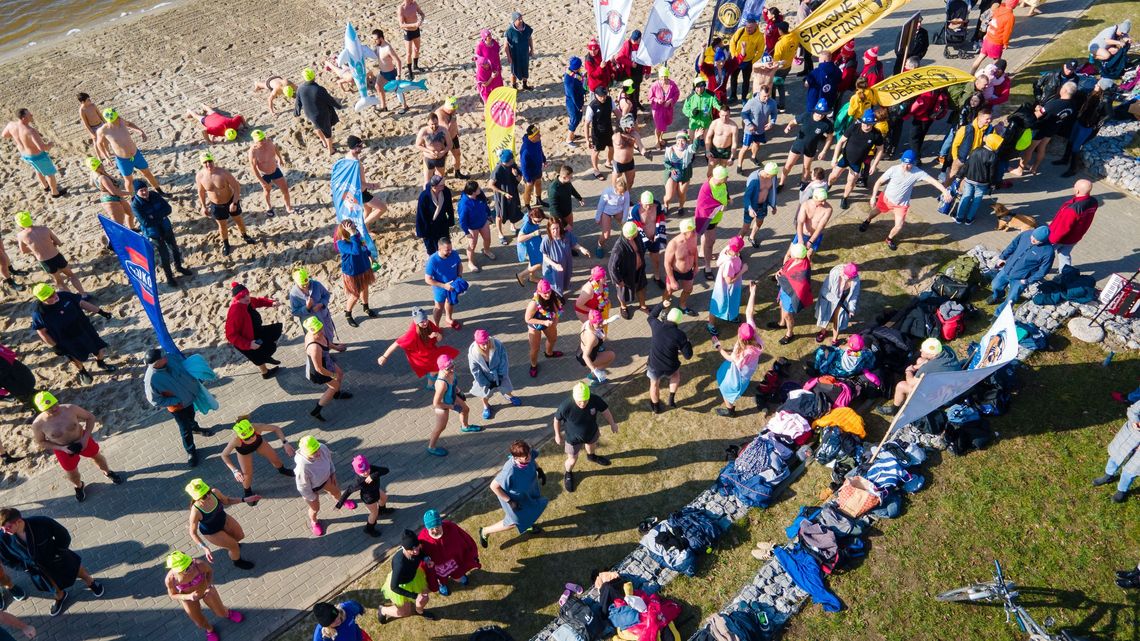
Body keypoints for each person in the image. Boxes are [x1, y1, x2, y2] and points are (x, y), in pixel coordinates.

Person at [0, 508, 104, 617]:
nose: (5, 531)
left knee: (76, 569)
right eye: (2, 528)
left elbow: (63, 535)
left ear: (19, 521)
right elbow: (6, 560)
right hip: (36, 568)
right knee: (50, 583)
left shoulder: (41, 522)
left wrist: (59, 552)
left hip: (57, 557)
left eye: (8, 527)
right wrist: (25, 567)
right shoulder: (2, 538)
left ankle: (90, 582)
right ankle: (60, 596)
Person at [30, 391, 123, 502]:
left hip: (82, 439)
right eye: (49, 407)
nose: (54, 408)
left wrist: (85, 439)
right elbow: (40, 441)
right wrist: (62, 448)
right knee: (71, 473)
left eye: (55, 404)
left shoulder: (70, 409)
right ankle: (78, 486)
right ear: (41, 409)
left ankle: (107, 472)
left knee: (97, 457)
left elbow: (90, 417)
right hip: (63, 449)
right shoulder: (38, 424)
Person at [862, 149, 952, 251]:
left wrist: (944, 191)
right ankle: (867, 220)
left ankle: (889, 239)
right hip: (886, 198)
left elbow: (933, 181)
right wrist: (874, 196)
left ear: (913, 163)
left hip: (901, 205)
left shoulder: (918, 172)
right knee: (875, 211)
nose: (905, 166)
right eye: (904, 163)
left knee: (899, 225)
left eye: (909, 164)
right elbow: (879, 182)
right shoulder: (893, 169)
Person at [30, 284, 114, 386]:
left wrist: (101, 312)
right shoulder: (39, 313)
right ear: (42, 299)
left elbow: (82, 303)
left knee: (99, 348)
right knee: (75, 358)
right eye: (50, 297)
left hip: (84, 329)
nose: (54, 296)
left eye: (53, 293)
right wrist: (55, 346)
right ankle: (82, 371)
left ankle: (101, 362)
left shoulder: (64, 295)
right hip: (66, 339)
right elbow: (42, 332)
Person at [144, 348, 213, 467]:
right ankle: (191, 451)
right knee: (185, 429)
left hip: (189, 397)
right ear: (157, 363)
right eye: (163, 356)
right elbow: (155, 400)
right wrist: (176, 401)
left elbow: (184, 365)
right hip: (177, 407)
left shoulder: (170, 359)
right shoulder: (151, 380)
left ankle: (195, 428)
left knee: (191, 415)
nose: (166, 356)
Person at [478, 440, 548, 546]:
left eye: (529, 454)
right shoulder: (510, 470)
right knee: (513, 522)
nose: (529, 457)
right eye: (525, 457)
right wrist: (510, 501)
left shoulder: (527, 453)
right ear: (516, 458)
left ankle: (526, 523)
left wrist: (539, 469)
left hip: (527, 493)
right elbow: (494, 486)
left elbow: (532, 459)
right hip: (514, 499)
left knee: (532, 508)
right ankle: (485, 531)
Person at [163, 551, 242, 640]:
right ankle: (209, 629)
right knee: (199, 623)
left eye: (190, 563)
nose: (190, 568)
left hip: (205, 590)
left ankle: (227, 613)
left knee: (221, 613)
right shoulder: (171, 579)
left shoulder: (199, 565)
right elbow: (172, 595)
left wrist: (208, 584)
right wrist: (188, 597)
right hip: (188, 597)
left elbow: (209, 571)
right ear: (176, 570)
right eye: (185, 568)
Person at [554, 382, 617, 492]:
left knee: (591, 446)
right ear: (574, 397)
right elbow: (556, 420)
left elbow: (605, 411)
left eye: (585, 400)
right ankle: (568, 473)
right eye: (580, 401)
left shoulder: (594, 399)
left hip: (591, 432)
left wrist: (612, 423)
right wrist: (557, 435)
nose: (583, 403)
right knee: (572, 459)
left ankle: (591, 457)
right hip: (573, 439)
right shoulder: (566, 405)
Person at [184, 478, 258, 570]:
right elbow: (192, 532)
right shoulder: (196, 511)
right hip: (212, 531)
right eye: (203, 496)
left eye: (208, 492)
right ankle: (237, 561)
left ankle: (230, 544)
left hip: (224, 519)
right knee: (234, 547)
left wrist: (245, 499)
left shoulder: (215, 492)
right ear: (196, 498)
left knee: (240, 536)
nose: (208, 496)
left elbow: (227, 501)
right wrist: (205, 548)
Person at [712, 284, 762, 416]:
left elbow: (729, 358)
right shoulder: (756, 339)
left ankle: (730, 410)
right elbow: (749, 312)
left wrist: (718, 346)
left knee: (725, 390)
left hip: (739, 374)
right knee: (745, 381)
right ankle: (741, 391)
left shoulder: (740, 352)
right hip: (750, 368)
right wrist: (753, 292)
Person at [130, 180, 192, 285]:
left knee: (175, 249)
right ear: (136, 192)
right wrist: (160, 215)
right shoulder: (135, 205)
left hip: (166, 227)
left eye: (145, 189)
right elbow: (145, 222)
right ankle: (169, 278)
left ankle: (179, 267)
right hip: (154, 233)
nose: (145, 192)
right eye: (141, 191)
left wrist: (153, 216)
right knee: (165, 255)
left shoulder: (154, 195)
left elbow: (168, 209)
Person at [878, 338, 960, 415]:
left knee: (901, 385)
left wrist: (909, 371)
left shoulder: (930, 367)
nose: (920, 350)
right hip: (951, 386)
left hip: (942, 398)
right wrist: (916, 367)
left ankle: (894, 410)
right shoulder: (947, 350)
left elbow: (911, 383)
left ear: (931, 354)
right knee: (920, 360)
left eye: (923, 350)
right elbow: (928, 362)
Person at [15, 213, 88, 298]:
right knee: (71, 275)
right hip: (56, 256)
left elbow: (23, 251)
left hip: (45, 261)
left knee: (60, 283)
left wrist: (33, 249)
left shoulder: (21, 235)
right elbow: (58, 242)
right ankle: (83, 294)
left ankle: (73, 299)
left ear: (19, 224)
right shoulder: (44, 229)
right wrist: (50, 244)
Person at [294, 436, 355, 537]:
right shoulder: (302, 466)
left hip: (326, 479)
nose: (318, 453)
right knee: (315, 509)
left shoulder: (322, 448)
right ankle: (314, 521)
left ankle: (341, 500)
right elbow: (302, 486)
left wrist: (332, 472)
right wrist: (312, 497)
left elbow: (329, 460)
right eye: (313, 452)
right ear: (305, 453)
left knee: (336, 492)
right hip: (311, 489)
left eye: (317, 449)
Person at [196, 152, 254, 257]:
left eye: (210, 161)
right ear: (202, 164)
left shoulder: (222, 172)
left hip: (231, 201)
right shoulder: (200, 176)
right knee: (222, 226)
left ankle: (245, 236)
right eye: (205, 162)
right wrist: (203, 206)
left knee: (239, 221)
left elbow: (236, 187)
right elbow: (201, 192)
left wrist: (234, 202)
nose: (208, 164)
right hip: (216, 205)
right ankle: (226, 244)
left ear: (213, 161)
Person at [219, 419, 295, 499]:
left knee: (275, 459)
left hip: (259, 443)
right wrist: (235, 471)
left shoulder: (257, 427)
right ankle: (247, 492)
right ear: (240, 436)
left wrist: (285, 443)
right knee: (247, 474)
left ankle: (282, 470)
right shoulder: (235, 440)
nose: (251, 438)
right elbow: (224, 455)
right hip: (244, 451)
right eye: (247, 438)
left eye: (252, 435)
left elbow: (276, 428)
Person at [377, 307, 459, 380]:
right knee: (437, 367)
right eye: (422, 322)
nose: (425, 323)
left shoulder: (429, 324)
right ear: (416, 323)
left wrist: (437, 334)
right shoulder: (412, 334)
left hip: (430, 350)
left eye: (425, 319)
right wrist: (384, 356)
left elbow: (440, 339)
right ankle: (433, 380)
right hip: (421, 356)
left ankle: (431, 382)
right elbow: (396, 343)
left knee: (441, 361)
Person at [828, 109, 885, 210]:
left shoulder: (876, 134)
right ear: (862, 121)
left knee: (851, 182)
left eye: (868, 124)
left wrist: (874, 164)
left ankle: (845, 197)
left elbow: (880, 149)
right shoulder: (854, 127)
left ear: (873, 124)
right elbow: (840, 142)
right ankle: (828, 186)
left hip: (857, 163)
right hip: (844, 158)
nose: (865, 126)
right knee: (833, 176)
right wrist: (834, 158)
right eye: (864, 123)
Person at [95, 108, 161, 192]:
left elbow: (129, 124)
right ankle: (133, 197)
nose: (116, 121)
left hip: (136, 155)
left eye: (116, 118)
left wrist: (140, 131)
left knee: (147, 174)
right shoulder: (102, 130)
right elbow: (99, 144)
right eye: (114, 120)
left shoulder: (121, 121)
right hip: (123, 160)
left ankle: (159, 191)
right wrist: (106, 157)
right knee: (129, 180)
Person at [3, 109, 66, 197]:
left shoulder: (11, 125)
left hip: (25, 155)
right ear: (24, 118)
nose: (32, 115)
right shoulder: (30, 131)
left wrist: (17, 138)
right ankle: (55, 192)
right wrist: (50, 145)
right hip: (38, 156)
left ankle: (45, 186)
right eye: (30, 114)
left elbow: (4, 135)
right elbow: (42, 148)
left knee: (38, 169)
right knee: (50, 174)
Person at [427, 354, 480, 457]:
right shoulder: (441, 383)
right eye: (448, 368)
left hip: (452, 396)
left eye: (452, 366)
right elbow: (436, 404)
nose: (452, 369)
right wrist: (451, 407)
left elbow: (453, 384)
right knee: (440, 427)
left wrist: (459, 391)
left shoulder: (450, 372)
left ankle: (465, 426)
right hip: (443, 405)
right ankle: (431, 447)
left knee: (465, 409)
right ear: (442, 369)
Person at [225, 282, 281, 379]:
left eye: (247, 294)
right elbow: (230, 335)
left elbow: (258, 301)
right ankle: (265, 369)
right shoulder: (235, 312)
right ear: (237, 298)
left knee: (275, 331)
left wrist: (271, 303)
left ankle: (265, 370)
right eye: (243, 297)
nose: (247, 298)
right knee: (260, 353)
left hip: (255, 331)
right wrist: (248, 344)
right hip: (246, 339)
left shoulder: (247, 301)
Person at [418, 509, 481, 596]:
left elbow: (465, 538)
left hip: (454, 561)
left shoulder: (451, 527)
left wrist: (472, 553)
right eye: (432, 528)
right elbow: (420, 556)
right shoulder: (422, 539)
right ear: (427, 528)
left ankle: (459, 577)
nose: (435, 531)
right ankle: (442, 585)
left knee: (457, 574)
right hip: (438, 567)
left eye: (437, 527)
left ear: (441, 524)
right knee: (441, 579)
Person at [379, 530, 437, 622]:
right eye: (412, 549)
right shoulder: (400, 564)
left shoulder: (417, 548)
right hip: (401, 586)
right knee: (404, 612)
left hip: (415, 578)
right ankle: (383, 610)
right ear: (404, 548)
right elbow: (394, 587)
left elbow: (420, 553)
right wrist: (415, 596)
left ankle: (419, 611)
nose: (416, 551)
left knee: (424, 597)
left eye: (417, 547)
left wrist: (426, 559)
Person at [988, 226, 1054, 304]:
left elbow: (1043, 271)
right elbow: (1013, 245)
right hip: (1007, 269)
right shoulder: (1026, 234)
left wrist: (1028, 280)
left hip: (1021, 279)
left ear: (1044, 241)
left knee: (1010, 300)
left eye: (1036, 240)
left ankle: (998, 314)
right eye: (1033, 236)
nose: (1032, 239)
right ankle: (997, 296)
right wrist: (1003, 257)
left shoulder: (1048, 252)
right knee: (995, 285)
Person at [1059, 79, 1113, 177]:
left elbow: (1110, 115)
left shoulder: (1105, 100)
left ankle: (1073, 169)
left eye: (1098, 84)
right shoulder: (1094, 94)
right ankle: (1065, 159)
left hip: (1087, 126)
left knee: (1076, 146)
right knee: (1070, 140)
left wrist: (1098, 124)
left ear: (1102, 88)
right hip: (1079, 121)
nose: (1095, 85)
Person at [646, 304, 693, 414]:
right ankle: (671, 400)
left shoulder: (657, 326)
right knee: (676, 376)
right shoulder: (680, 335)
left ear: (667, 317)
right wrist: (688, 342)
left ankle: (656, 407)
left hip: (654, 364)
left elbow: (651, 317)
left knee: (654, 384)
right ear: (679, 321)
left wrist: (662, 304)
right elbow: (688, 355)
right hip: (670, 366)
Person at [1022, 82, 1077, 175]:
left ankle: (1021, 168)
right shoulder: (1072, 105)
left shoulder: (1055, 103)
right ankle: (1034, 168)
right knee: (1042, 147)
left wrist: (1037, 109)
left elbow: (1037, 115)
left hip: (1041, 127)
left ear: (1065, 90)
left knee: (1030, 148)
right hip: (1054, 128)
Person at [1092, 400, 1140, 504]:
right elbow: (1132, 410)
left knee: (1131, 470)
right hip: (1130, 436)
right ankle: (1108, 475)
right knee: (1116, 456)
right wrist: (1135, 422)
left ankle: (1122, 490)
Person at [303, 317, 350, 422]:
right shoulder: (314, 347)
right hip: (320, 370)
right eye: (317, 330)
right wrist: (332, 375)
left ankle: (337, 395)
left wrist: (337, 348)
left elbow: (327, 342)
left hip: (327, 361)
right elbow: (319, 369)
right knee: (334, 386)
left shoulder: (319, 333)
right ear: (311, 331)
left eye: (321, 328)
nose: (321, 331)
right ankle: (317, 410)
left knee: (340, 374)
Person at [780, 99, 833, 191]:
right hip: (798, 145)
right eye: (818, 113)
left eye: (823, 114)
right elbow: (793, 122)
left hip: (811, 148)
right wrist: (788, 127)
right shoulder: (806, 116)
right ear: (815, 110)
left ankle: (803, 183)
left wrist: (824, 151)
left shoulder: (827, 124)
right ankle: (781, 183)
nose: (820, 115)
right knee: (788, 165)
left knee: (806, 167)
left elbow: (829, 138)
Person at [468, 329, 522, 420]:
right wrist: (485, 382)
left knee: (506, 387)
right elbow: (475, 370)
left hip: (499, 373)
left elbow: (503, 360)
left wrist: (501, 375)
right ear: (477, 343)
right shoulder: (473, 353)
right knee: (484, 394)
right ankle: (486, 406)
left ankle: (509, 396)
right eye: (482, 344)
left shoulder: (497, 345)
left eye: (486, 342)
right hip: (484, 376)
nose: (485, 346)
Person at [336, 454, 395, 537]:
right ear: (358, 472)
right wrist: (339, 504)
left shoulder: (372, 469)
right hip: (369, 498)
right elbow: (348, 491)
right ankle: (369, 529)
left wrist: (372, 476)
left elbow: (386, 470)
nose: (366, 472)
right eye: (363, 472)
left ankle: (382, 510)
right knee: (374, 513)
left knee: (384, 498)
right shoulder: (358, 482)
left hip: (376, 490)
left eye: (367, 469)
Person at [334, 220, 378, 328]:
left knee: (365, 288)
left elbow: (363, 247)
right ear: (346, 231)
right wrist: (353, 234)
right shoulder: (341, 243)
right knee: (355, 295)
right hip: (352, 272)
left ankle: (366, 307)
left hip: (364, 267)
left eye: (355, 227)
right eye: (353, 228)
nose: (355, 229)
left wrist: (370, 257)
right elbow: (356, 250)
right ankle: (348, 313)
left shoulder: (356, 235)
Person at [288, 267, 344, 351]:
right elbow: (295, 312)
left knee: (329, 335)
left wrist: (321, 304)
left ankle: (330, 347)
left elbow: (326, 295)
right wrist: (306, 308)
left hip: (324, 317)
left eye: (307, 283)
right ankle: (326, 356)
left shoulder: (316, 285)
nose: (306, 286)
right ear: (296, 283)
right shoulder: (294, 295)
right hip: (312, 324)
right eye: (302, 285)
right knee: (318, 341)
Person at [1047, 179, 1098, 270]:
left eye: (1074, 186)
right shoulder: (1093, 202)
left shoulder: (1072, 209)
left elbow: (1063, 228)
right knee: (1064, 255)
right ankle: (1065, 275)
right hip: (1075, 237)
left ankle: (1034, 273)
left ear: (1077, 190)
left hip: (1059, 238)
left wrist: (1050, 241)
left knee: (1043, 255)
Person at [953, 132, 1002, 225]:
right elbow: (992, 173)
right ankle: (969, 219)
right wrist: (992, 184)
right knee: (977, 200)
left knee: (965, 197)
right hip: (982, 183)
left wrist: (959, 176)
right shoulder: (993, 157)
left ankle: (959, 218)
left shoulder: (975, 150)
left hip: (969, 179)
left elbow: (967, 165)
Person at [769, 243, 813, 345]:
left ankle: (789, 333)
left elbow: (797, 284)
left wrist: (779, 278)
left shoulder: (802, 269)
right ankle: (782, 323)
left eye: (792, 252)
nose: (790, 253)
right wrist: (780, 272)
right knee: (781, 304)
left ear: (797, 256)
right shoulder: (796, 260)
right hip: (785, 291)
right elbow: (786, 269)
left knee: (787, 315)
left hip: (790, 294)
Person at [294, 68, 344, 154]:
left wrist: (297, 112)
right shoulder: (318, 89)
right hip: (321, 114)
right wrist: (338, 106)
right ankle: (330, 150)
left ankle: (323, 142)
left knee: (317, 126)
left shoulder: (300, 89)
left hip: (309, 114)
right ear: (314, 77)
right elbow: (329, 100)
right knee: (327, 132)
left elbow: (298, 102)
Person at [708, 235, 748, 338]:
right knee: (718, 304)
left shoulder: (727, 249)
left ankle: (732, 315)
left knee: (733, 301)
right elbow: (729, 281)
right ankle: (710, 324)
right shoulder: (728, 263)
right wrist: (743, 270)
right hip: (725, 289)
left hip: (733, 288)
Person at [248, 130, 294, 217]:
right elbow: (253, 168)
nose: (263, 141)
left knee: (285, 189)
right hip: (264, 174)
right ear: (255, 142)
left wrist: (279, 158)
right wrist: (262, 182)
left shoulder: (269, 142)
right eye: (260, 140)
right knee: (267, 191)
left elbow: (275, 148)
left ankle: (288, 207)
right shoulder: (253, 151)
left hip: (275, 170)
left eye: (263, 138)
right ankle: (269, 207)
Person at [694, 167, 730, 279]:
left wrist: (728, 199)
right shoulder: (706, 187)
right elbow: (704, 204)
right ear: (718, 178)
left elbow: (725, 193)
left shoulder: (723, 184)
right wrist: (720, 206)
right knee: (711, 242)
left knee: (706, 238)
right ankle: (707, 267)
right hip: (708, 218)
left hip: (716, 218)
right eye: (724, 178)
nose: (726, 180)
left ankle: (701, 253)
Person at [344, 136, 389, 228]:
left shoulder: (348, 156)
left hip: (357, 191)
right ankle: (364, 225)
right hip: (360, 192)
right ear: (355, 147)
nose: (362, 147)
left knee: (368, 210)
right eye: (360, 145)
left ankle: (365, 230)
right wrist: (372, 185)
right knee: (382, 208)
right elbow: (357, 182)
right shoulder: (354, 163)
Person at [626, 190, 667, 288]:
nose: (648, 207)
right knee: (638, 260)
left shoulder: (657, 207)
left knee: (656, 260)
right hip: (640, 240)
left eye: (650, 204)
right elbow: (631, 227)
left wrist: (657, 235)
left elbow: (661, 221)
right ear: (640, 202)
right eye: (646, 205)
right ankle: (637, 278)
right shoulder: (635, 211)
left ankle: (657, 277)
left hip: (654, 238)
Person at [524, 279, 564, 378]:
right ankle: (533, 365)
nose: (547, 295)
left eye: (549, 292)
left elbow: (556, 311)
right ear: (539, 292)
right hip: (535, 325)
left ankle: (549, 353)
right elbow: (527, 319)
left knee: (553, 339)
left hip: (548, 321)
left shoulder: (553, 296)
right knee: (535, 349)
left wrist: (555, 322)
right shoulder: (533, 304)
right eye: (545, 293)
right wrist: (543, 322)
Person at [540, 216, 590, 296]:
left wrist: (581, 248)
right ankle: (558, 296)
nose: (556, 231)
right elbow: (545, 257)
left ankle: (562, 289)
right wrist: (555, 265)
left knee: (566, 278)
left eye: (557, 228)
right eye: (553, 229)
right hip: (554, 268)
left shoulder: (566, 235)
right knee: (556, 282)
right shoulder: (546, 240)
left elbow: (573, 244)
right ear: (549, 229)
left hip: (566, 264)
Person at [814, 263, 861, 344]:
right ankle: (823, 331)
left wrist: (851, 309)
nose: (844, 276)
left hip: (843, 302)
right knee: (826, 315)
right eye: (844, 274)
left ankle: (834, 339)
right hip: (830, 299)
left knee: (838, 319)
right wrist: (835, 300)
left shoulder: (856, 280)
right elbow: (824, 290)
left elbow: (854, 296)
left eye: (848, 277)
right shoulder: (835, 273)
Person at [424, 237, 465, 330]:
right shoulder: (432, 261)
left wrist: (459, 276)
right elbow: (428, 279)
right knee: (439, 308)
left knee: (450, 302)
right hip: (440, 288)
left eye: (451, 249)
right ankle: (436, 326)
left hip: (453, 285)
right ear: (439, 249)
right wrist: (444, 286)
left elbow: (460, 265)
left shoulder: (454, 253)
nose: (450, 252)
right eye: (447, 250)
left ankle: (449, 319)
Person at [609, 222, 648, 318]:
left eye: (632, 235)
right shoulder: (619, 247)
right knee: (622, 293)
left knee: (641, 287)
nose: (630, 238)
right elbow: (611, 266)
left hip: (639, 270)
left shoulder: (637, 236)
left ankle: (643, 306)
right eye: (628, 236)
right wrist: (618, 280)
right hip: (626, 274)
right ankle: (623, 307)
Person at [737, 84, 779, 171]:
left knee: (757, 144)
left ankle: (753, 157)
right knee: (745, 147)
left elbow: (774, 113)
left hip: (761, 129)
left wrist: (772, 122)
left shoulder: (772, 103)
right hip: (749, 130)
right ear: (760, 93)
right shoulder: (752, 102)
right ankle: (739, 166)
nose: (766, 98)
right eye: (764, 96)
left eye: (768, 96)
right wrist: (749, 124)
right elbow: (743, 113)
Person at [664, 218, 699, 315]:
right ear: (684, 232)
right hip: (675, 272)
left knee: (688, 289)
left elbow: (695, 251)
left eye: (693, 230)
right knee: (668, 291)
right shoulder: (673, 244)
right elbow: (667, 263)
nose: (693, 232)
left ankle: (682, 305)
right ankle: (665, 309)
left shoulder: (694, 237)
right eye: (691, 231)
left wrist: (696, 265)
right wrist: (672, 280)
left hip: (688, 271)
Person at [458, 181, 496, 273]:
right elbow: (462, 221)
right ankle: (470, 262)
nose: (480, 189)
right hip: (472, 227)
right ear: (473, 192)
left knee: (487, 238)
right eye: (478, 188)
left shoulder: (480, 194)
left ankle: (486, 251)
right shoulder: (464, 204)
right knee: (472, 245)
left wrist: (489, 214)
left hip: (483, 221)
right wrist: (467, 232)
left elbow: (485, 203)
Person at [87, 156, 132, 231]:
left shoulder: (95, 174)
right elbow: (114, 192)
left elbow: (92, 184)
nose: (101, 167)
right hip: (111, 201)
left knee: (129, 213)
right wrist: (130, 193)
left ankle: (132, 229)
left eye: (100, 164)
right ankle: (113, 241)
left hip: (113, 198)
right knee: (118, 225)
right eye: (98, 167)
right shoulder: (102, 178)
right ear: (95, 169)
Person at [739, 161, 777, 248]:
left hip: (763, 205)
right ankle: (736, 247)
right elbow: (746, 196)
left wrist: (773, 205)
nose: (773, 177)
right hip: (752, 207)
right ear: (767, 173)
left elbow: (772, 191)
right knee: (745, 228)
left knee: (759, 222)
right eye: (772, 175)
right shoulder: (754, 179)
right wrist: (750, 209)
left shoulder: (772, 176)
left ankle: (751, 237)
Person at [971, 0, 1016, 74]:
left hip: (988, 38)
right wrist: (1006, 43)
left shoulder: (999, 9)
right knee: (997, 63)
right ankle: (994, 77)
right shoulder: (1010, 16)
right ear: (1015, 5)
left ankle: (971, 73)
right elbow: (1007, 32)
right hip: (996, 42)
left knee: (980, 57)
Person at [415, 175, 456, 256]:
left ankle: (445, 260)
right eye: (441, 185)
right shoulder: (424, 197)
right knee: (432, 249)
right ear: (434, 187)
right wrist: (422, 232)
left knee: (444, 244)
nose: (443, 186)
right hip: (430, 225)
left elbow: (449, 207)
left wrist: (450, 220)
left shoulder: (445, 191)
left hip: (442, 222)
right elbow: (421, 215)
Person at [369, 30, 406, 113]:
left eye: (375, 39)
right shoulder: (378, 46)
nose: (374, 41)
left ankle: (405, 106)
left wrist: (399, 75)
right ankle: (383, 106)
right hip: (382, 73)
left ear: (381, 38)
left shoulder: (388, 48)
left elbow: (398, 61)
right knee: (378, 86)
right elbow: (372, 54)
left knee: (398, 91)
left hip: (391, 73)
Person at [490, 150, 522, 244]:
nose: (511, 162)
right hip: (501, 196)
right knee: (499, 215)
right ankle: (500, 234)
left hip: (512, 192)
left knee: (513, 209)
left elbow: (519, 179)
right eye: (508, 161)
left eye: (511, 160)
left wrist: (516, 175)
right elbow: (491, 185)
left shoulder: (513, 165)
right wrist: (503, 193)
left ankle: (513, 226)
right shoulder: (498, 169)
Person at [729, 17, 764, 104]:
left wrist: (752, 61)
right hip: (736, 59)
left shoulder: (759, 36)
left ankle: (744, 98)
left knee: (746, 80)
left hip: (748, 61)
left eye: (750, 27)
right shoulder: (740, 31)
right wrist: (733, 55)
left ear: (756, 26)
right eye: (747, 27)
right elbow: (732, 43)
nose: (748, 29)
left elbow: (760, 51)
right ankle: (733, 95)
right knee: (733, 78)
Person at [662, 133, 697, 215]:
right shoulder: (670, 149)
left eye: (683, 141)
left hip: (684, 176)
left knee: (681, 194)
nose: (680, 143)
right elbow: (665, 162)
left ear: (686, 141)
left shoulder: (688, 149)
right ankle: (666, 205)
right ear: (676, 141)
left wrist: (697, 138)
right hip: (672, 177)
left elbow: (695, 148)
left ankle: (681, 207)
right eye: (678, 141)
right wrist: (671, 168)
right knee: (669, 196)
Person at [586, 87, 616, 180]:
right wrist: (587, 140)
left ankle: (608, 162)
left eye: (605, 95)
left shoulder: (609, 100)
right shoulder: (592, 106)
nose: (603, 98)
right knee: (596, 151)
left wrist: (623, 120)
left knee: (612, 147)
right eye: (601, 96)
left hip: (608, 129)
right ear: (596, 95)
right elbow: (586, 124)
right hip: (597, 133)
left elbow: (616, 111)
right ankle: (595, 170)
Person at [577, 310, 615, 383]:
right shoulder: (592, 338)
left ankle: (595, 373)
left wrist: (608, 321)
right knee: (611, 355)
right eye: (599, 323)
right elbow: (585, 356)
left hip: (580, 351)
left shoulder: (586, 323)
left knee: (605, 350)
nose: (601, 325)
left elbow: (599, 324)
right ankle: (594, 377)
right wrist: (594, 370)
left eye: (601, 321)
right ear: (593, 323)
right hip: (587, 358)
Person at [415, 113, 453, 186]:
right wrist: (429, 151)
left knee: (440, 179)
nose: (434, 126)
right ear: (427, 123)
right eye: (432, 124)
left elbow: (450, 144)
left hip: (440, 158)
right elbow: (418, 145)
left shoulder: (443, 130)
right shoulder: (424, 131)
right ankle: (428, 196)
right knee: (427, 181)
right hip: (429, 158)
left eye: (436, 123)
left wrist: (443, 152)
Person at [435, 97, 469, 179]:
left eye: (454, 109)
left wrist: (456, 130)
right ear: (446, 107)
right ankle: (439, 177)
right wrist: (453, 119)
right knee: (443, 159)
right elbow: (446, 129)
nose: (454, 111)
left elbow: (454, 122)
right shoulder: (440, 114)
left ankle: (457, 173)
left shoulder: (451, 110)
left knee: (457, 154)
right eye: (452, 110)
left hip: (453, 137)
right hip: (444, 140)